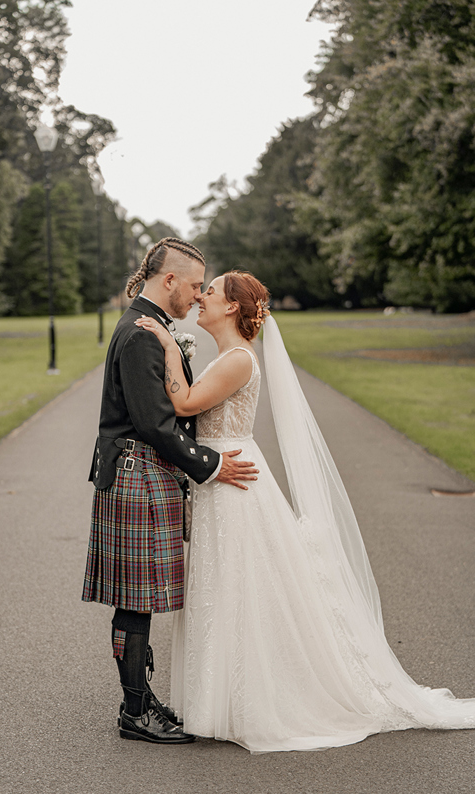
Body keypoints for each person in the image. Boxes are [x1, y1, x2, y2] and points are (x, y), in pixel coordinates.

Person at [135, 269, 475, 753]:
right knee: (223, 586)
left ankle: (252, 701)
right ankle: (222, 700)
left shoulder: (236, 359)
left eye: (210, 292)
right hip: (221, 473)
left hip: (235, 480)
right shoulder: (227, 355)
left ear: (232, 307)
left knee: (239, 586)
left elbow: (185, 402)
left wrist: (170, 348)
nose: (201, 298)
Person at [82, 239, 258, 745]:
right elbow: (155, 424)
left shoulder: (148, 324)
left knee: (138, 597)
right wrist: (210, 465)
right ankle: (134, 711)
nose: (198, 295)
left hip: (139, 473)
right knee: (135, 600)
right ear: (170, 281)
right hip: (137, 472)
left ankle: (138, 700)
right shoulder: (141, 334)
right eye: (196, 285)